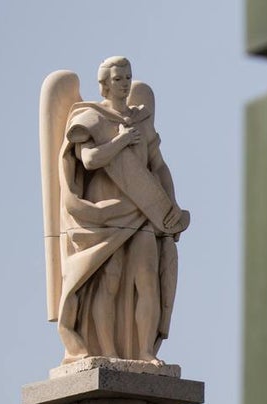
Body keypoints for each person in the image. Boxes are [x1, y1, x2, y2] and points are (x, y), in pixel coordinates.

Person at [52, 56, 188, 364]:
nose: (125, 83)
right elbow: (89, 160)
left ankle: (144, 351)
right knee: (109, 280)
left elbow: (159, 166)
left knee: (147, 279)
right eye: (118, 79)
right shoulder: (90, 118)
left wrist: (171, 205)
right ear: (104, 85)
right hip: (105, 213)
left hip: (142, 211)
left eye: (128, 77)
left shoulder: (141, 119)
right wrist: (121, 140)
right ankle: (109, 352)